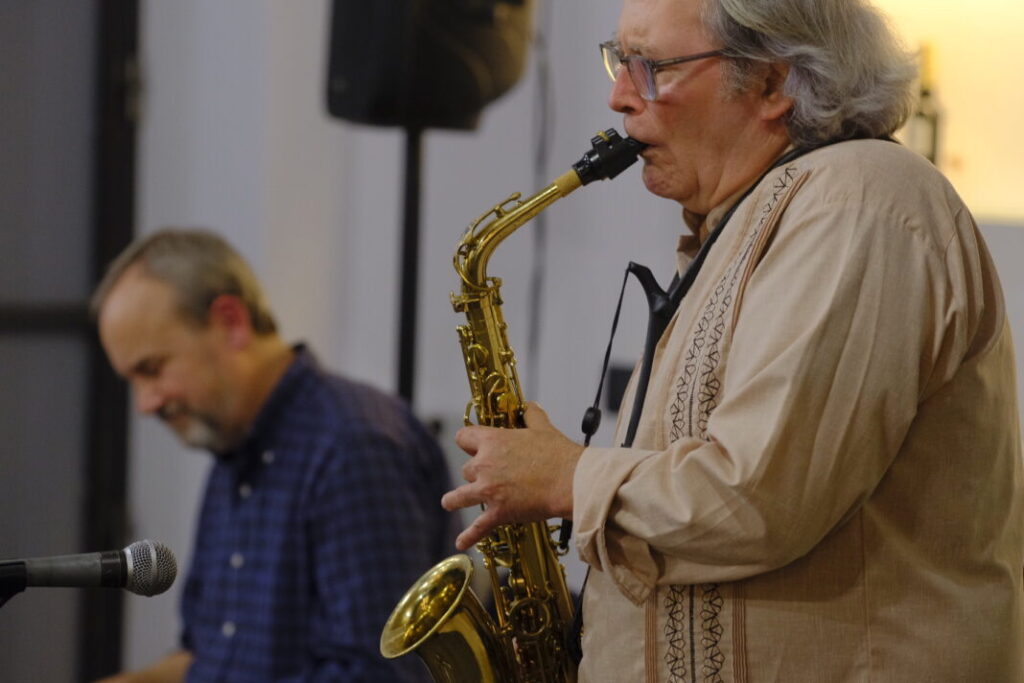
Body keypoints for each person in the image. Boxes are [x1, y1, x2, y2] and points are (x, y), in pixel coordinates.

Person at [441, 0, 1024, 681]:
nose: (619, 96)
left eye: (651, 67)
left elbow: (759, 498)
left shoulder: (860, 201)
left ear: (772, 84)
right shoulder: (741, 224)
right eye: (618, 60)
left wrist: (568, 476)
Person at [92, 228, 457, 682]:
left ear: (231, 322)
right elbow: (209, 657)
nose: (145, 404)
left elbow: (378, 676)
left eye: (152, 369)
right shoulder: (233, 447)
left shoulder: (353, 446)